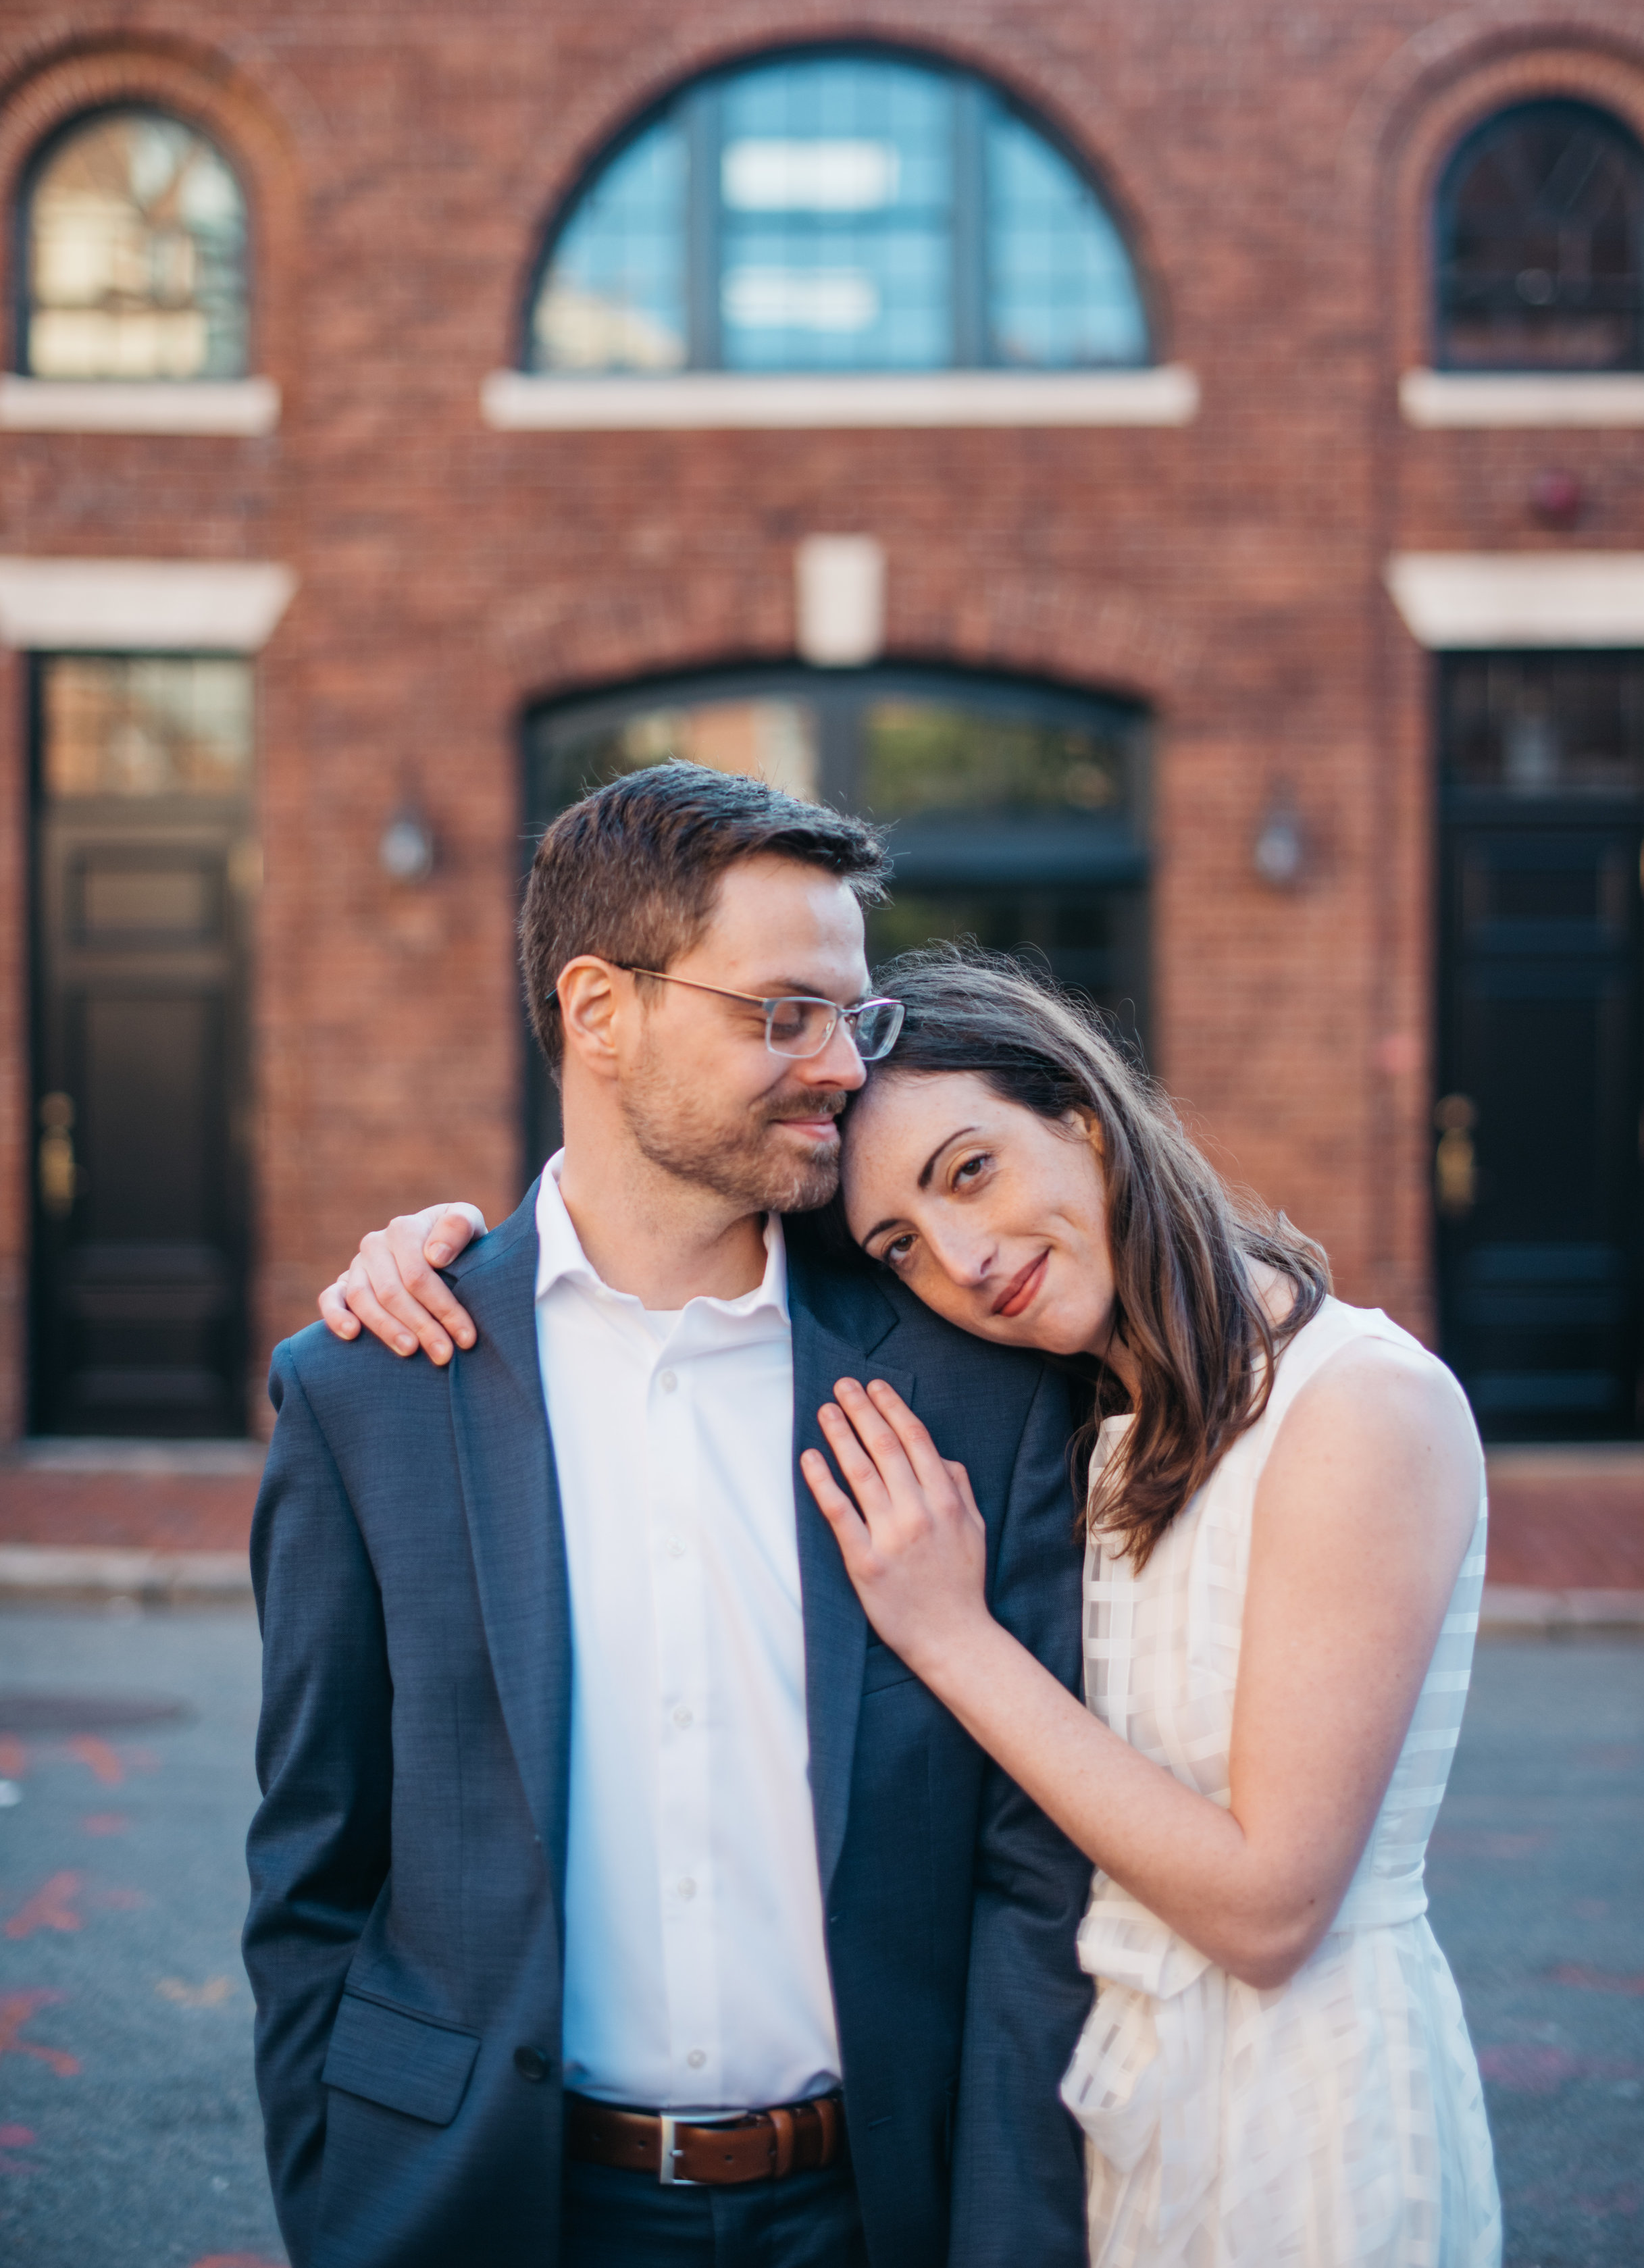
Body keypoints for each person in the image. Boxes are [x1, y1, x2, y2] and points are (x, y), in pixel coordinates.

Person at [331, 944, 1504, 2267]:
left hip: (1304, 2129)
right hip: (1118, 2123)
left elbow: (1267, 1909)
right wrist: (445, 1253)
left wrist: (950, 1637)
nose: (964, 1257)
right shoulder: (1082, 1408)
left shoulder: (1355, 1409)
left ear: (1081, 1110)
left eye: (970, 1169)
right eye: (899, 1241)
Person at [245, 765, 1094, 2268]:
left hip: (873, 2206)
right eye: (781, 1013)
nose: (840, 1063)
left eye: (852, 1014)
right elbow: (317, 1860)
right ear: (599, 1011)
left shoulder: (971, 1385)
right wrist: (339, 2192)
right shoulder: (370, 1390)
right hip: (492, 2210)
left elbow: (1031, 1876)